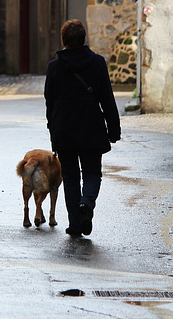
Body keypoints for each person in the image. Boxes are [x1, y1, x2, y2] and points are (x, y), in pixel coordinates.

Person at [44, 19, 121, 236]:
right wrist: (113, 130)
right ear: (84, 38)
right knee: (92, 172)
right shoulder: (97, 62)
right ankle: (86, 203)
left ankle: (75, 225)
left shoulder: (54, 67)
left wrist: (53, 130)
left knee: (69, 176)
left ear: (64, 39)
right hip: (91, 127)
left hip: (64, 128)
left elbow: (49, 101)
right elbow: (107, 98)